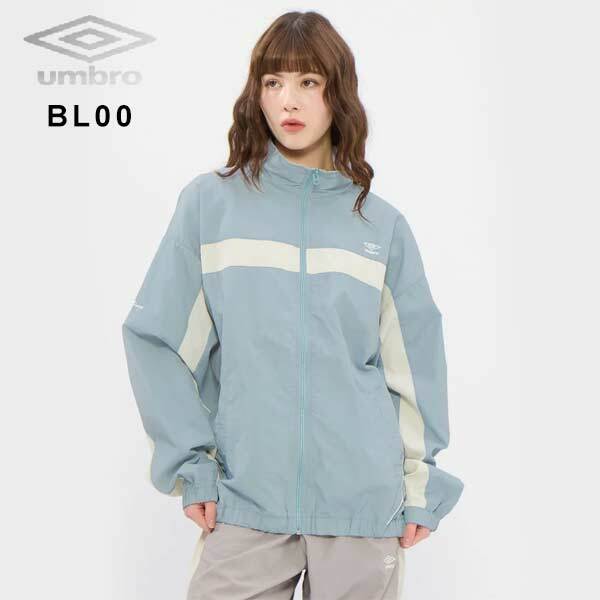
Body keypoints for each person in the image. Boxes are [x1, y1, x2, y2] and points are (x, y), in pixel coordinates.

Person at [122, 10, 464, 600]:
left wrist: (418, 485)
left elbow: (412, 368)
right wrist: (191, 464)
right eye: (273, 81)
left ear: (338, 93)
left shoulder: (380, 226)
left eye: (309, 81)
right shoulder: (211, 206)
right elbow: (158, 342)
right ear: (256, 93)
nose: (289, 100)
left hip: (362, 506)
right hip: (246, 499)